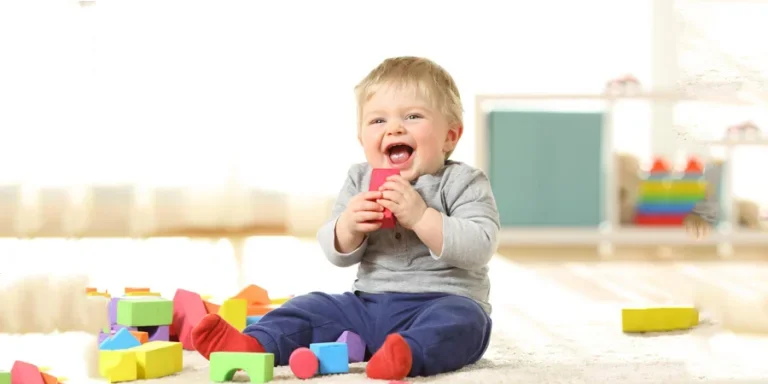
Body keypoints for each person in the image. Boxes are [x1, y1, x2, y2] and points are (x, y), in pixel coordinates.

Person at [190, 56, 500, 380]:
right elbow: (333, 249)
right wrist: (350, 226)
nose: (394, 127)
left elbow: (480, 245)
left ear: (450, 136)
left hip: (442, 302)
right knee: (311, 307)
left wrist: (422, 217)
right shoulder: (359, 179)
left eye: (412, 116)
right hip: (366, 307)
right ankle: (253, 345)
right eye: (378, 121)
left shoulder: (464, 181)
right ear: (362, 140)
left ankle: (406, 354)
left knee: (465, 322)